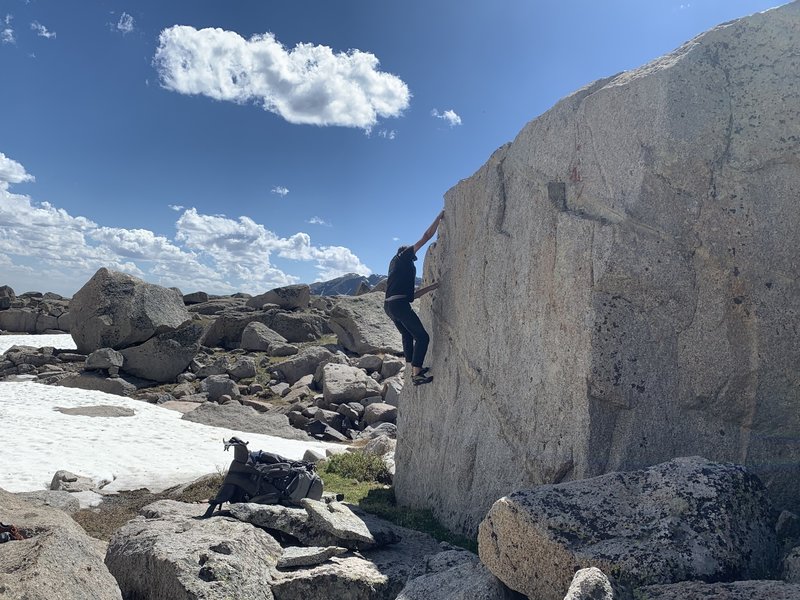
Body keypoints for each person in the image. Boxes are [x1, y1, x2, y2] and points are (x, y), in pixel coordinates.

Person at [384, 209, 444, 386]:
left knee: (407, 335)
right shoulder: (403, 256)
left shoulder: (395, 267)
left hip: (391, 306)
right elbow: (426, 236)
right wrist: (439, 217)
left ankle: (413, 368)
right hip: (398, 306)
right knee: (423, 337)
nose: (414, 258)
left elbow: (412, 296)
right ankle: (417, 374)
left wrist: (432, 287)